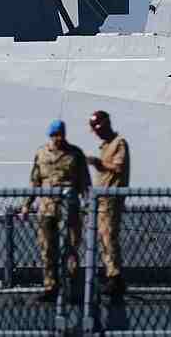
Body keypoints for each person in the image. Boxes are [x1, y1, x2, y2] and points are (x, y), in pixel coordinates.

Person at [20, 119, 91, 302]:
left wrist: (88, 206)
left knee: (71, 248)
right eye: (55, 135)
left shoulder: (75, 154)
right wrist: (26, 205)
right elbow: (35, 181)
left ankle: (72, 289)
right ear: (50, 135)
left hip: (70, 208)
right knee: (47, 249)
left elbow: (85, 183)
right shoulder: (41, 153)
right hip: (47, 208)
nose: (58, 138)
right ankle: (50, 287)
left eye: (60, 134)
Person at [85, 110, 130, 300]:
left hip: (111, 199)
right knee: (103, 238)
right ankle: (110, 273)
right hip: (101, 199)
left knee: (109, 237)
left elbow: (118, 167)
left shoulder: (119, 143)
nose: (96, 133)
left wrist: (98, 163)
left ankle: (115, 277)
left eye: (98, 129)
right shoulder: (105, 146)